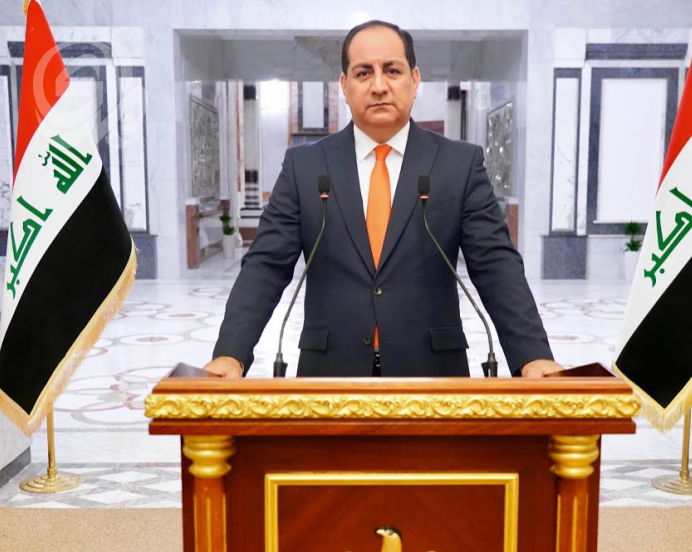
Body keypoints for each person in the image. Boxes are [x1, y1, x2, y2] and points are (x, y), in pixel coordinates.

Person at [205, 20, 563, 379]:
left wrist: (532, 355)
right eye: (363, 73)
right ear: (344, 86)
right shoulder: (306, 166)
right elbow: (266, 266)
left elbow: (496, 265)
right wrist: (231, 354)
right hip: (330, 377)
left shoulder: (460, 164)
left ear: (415, 80)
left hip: (433, 378)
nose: (379, 86)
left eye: (392, 70)